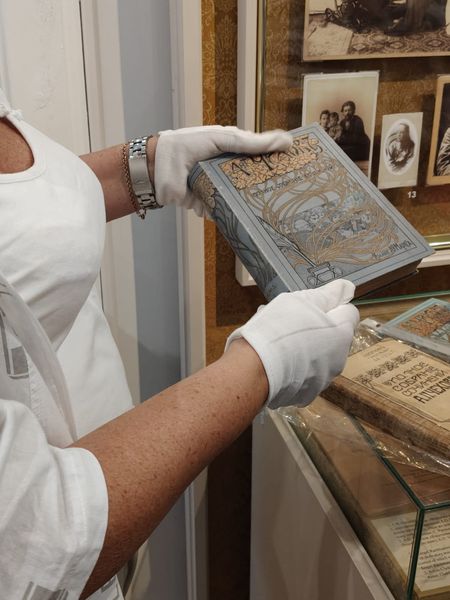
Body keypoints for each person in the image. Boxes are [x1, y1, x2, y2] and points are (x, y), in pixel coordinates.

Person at [0, 87, 359, 599]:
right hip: (79, 547)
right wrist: (262, 364)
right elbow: (35, 536)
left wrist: (146, 168)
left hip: (113, 490)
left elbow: (19, 220)